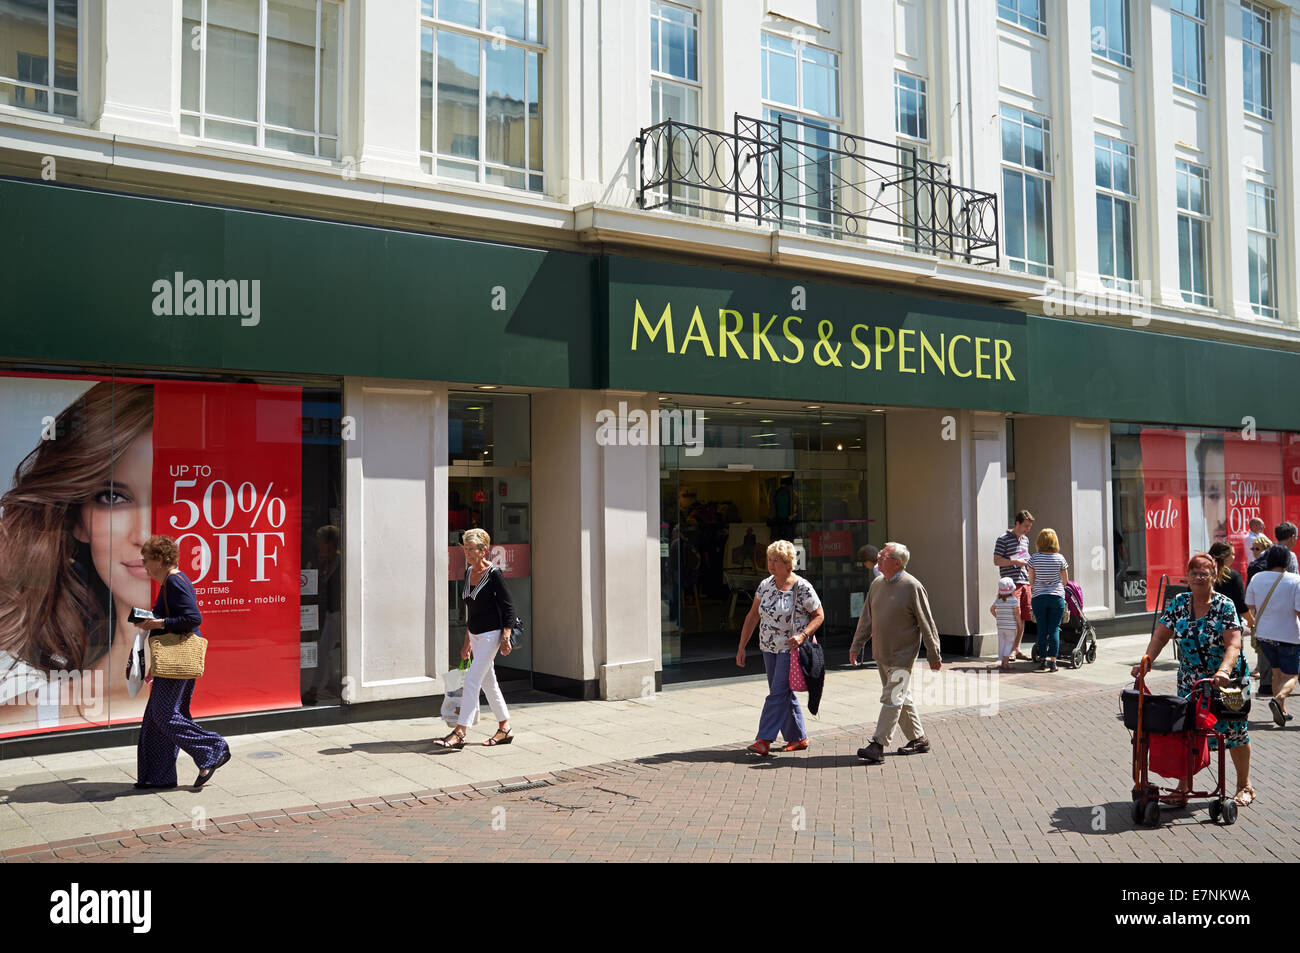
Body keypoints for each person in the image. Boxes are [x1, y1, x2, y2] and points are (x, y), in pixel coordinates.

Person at [0, 382, 155, 731]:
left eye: (171, 496)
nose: (144, 535)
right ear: (78, 521)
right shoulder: (32, 713)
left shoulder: (261, 687)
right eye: (113, 497)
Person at [1131, 552, 1253, 807]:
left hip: (1228, 681)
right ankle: (1184, 786)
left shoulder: (1225, 605)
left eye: (1204, 573)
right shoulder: (1178, 603)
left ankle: (1244, 785)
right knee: (1187, 732)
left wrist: (1224, 671)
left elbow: (1234, 645)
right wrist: (1147, 662)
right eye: (1194, 573)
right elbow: (1161, 637)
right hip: (1191, 681)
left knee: (1235, 733)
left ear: (1214, 576)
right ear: (1187, 577)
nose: (1198, 577)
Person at [135, 534, 231, 790]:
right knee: (155, 720)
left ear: (159, 559)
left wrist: (159, 622)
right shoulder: (170, 582)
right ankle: (158, 776)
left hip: (179, 659)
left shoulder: (175, 582)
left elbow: (192, 618)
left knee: (164, 715)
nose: (144, 565)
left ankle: (212, 748)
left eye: (146, 559)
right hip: (171, 659)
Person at [849, 542, 942, 764]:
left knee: (892, 697)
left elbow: (926, 624)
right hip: (882, 653)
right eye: (880, 554)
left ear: (897, 562)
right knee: (901, 698)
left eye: (884, 555)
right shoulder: (877, 584)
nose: (878, 557)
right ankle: (919, 739)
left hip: (903, 655)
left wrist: (934, 654)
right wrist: (856, 645)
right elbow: (866, 619)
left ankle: (878, 744)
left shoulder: (912, 586)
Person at [735, 540, 825, 755]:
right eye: (770, 560)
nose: (771, 564)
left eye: (776, 560)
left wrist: (803, 636)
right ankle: (798, 737)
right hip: (768, 647)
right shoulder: (765, 584)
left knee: (777, 693)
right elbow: (752, 615)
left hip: (790, 650)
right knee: (783, 693)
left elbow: (819, 615)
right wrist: (741, 647)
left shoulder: (802, 587)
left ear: (788, 563)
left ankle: (764, 739)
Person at [434, 528, 515, 749]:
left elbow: (509, 608)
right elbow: (472, 610)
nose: (467, 553)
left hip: (491, 635)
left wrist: (506, 636)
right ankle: (505, 728)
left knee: (472, 680)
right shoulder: (469, 572)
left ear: (483, 550)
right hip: (476, 635)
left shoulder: (494, 574)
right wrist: (467, 642)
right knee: (490, 683)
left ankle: (460, 732)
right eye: (465, 549)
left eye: (471, 549)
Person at [1245, 545, 1300, 727]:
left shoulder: (1257, 578)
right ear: (1287, 561)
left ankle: (1282, 711)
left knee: (1276, 673)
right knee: (1292, 675)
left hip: (1264, 635)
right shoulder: (1295, 580)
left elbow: (1249, 605)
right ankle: (1279, 699)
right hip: (1289, 635)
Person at [304, 525, 342, 706]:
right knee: (325, 651)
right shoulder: (325, 561)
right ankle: (326, 685)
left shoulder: (341, 562)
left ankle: (315, 690)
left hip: (340, 614)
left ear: (329, 544)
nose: (318, 546)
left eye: (321, 542)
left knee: (326, 651)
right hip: (331, 613)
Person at [993, 510, 1035, 663]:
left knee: (1023, 616)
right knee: (1013, 617)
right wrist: (1014, 562)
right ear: (1017, 523)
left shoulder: (1025, 540)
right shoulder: (1003, 539)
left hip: (1024, 581)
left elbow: (1026, 558)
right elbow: (996, 560)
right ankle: (1009, 651)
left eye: (1029, 527)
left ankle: (1016, 649)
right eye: (1025, 526)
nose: (1027, 529)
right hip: (1011, 584)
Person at [1028, 528, 1070, 672]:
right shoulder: (1060, 558)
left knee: (1041, 629)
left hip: (1039, 598)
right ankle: (1053, 663)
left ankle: (1043, 661)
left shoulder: (1034, 558)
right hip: (1056, 598)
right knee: (1054, 630)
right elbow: (1065, 581)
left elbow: (1031, 581)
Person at [992, 578, 1020, 672]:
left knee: (1002, 643)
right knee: (1009, 643)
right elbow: (1016, 614)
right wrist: (1019, 624)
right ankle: (1006, 663)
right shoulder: (1013, 601)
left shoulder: (998, 600)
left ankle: (1003, 662)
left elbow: (991, 609)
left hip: (1000, 626)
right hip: (1011, 627)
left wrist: (997, 617)